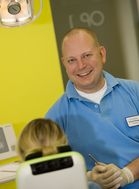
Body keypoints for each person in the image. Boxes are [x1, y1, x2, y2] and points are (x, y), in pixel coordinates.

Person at [45, 27, 139, 189]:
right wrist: (88, 177)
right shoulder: (55, 117)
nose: (81, 65)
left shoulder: (135, 92)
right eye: (71, 60)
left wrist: (128, 174)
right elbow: (48, 174)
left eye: (87, 55)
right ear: (64, 64)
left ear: (102, 54)